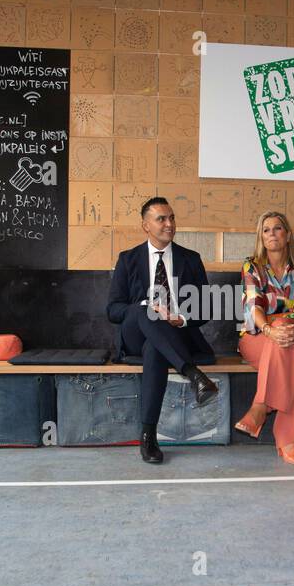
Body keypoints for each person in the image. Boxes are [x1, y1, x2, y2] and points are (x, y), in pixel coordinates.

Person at [106, 197, 219, 464]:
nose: (169, 224)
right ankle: (193, 374)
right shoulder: (128, 259)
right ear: (146, 225)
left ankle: (148, 436)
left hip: (175, 336)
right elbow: (113, 310)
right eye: (161, 219)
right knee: (143, 310)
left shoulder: (191, 259)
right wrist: (147, 308)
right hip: (135, 333)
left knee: (154, 349)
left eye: (172, 218)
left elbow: (206, 310)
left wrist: (180, 319)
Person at [234, 212, 294, 465]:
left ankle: (261, 405)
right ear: (261, 237)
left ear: (288, 235)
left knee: (288, 341)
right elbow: (253, 308)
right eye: (266, 230)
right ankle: (287, 437)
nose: (272, 234)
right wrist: (274, 327)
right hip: (257, 338)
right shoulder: (252, 267)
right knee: (286, 341)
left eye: (277, 228)